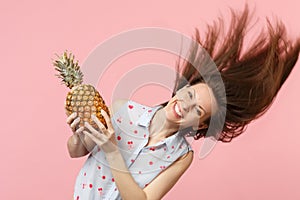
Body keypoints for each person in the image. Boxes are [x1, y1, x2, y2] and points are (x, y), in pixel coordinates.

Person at [66, 4, 300, 200]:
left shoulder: (180, 155)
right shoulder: (123, 110)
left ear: (200, 124)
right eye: (189, 94)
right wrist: (78, 134)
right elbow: (76, 151)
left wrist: (113, 152)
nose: (185, 105)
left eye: (197, 110)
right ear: (182, 88)